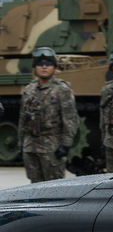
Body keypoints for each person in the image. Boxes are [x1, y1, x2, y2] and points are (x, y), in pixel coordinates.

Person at [18, 47, 79, 182]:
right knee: (34, 187)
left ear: (54, 67)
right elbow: (23, 119)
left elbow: (70, 119)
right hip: (30, 146)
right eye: (40, 64)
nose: (44, 67)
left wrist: (66, 145)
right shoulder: (29, 89)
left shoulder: (62, 89)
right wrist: (20, 144)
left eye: (48, 64)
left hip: (52, 146)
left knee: (53, 187)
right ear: (35, 67)